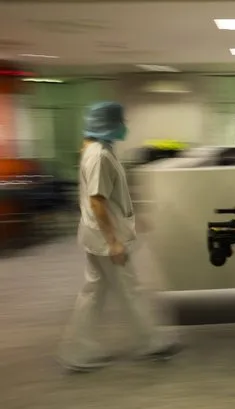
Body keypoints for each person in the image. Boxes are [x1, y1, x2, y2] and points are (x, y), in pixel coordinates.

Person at [57, 101, 180, 372]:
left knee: (94, 293)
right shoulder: (99, 155)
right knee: (129, 289)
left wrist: (132, 216)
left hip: (96, 234)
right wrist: (113, 240)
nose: (125, 126)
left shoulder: (97, 150)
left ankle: (78, 349)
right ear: (107, 124)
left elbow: (110, 197)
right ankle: (151, 341)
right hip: (104, 239)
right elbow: (98, 202)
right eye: (121, 121)